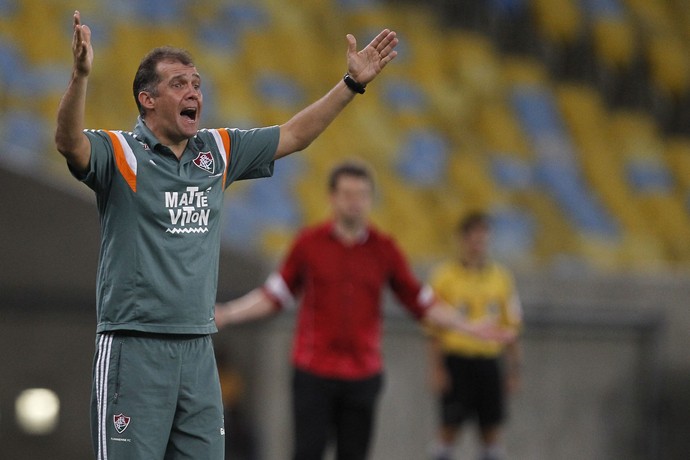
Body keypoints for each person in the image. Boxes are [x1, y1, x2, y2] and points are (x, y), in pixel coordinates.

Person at [55, 9, 400, 460]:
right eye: (179, 83)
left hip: (198, 350)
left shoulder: (217, 151)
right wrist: (80, 76)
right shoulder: (119, 152)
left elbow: (295, 134)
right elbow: (68, 143)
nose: (193, 91)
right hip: (135, 345)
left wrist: (351, 85)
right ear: (147, 99)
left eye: (196, 83)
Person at [214, 162, 514, 460]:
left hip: (362, 374)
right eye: (347, 194)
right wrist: (229, 312)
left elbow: (420, 301)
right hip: (314, 370)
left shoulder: (384, 249)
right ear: (332, 197)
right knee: (306, 452)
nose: (355, 202)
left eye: (361, 195)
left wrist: (468, 326)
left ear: (370, 199)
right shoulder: (309, 244)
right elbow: (275, 294)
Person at [427, 211, 523, 460]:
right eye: (473, 237)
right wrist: (437, 368)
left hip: (488, 361)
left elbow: (510, 327)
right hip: (457, 359)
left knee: (491, 428)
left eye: (483, 238)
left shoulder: (501, 278)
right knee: (449, 427)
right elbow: (432, 328)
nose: (478, 244)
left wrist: (513, 369)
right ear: (462, 239)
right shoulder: (444, 276)